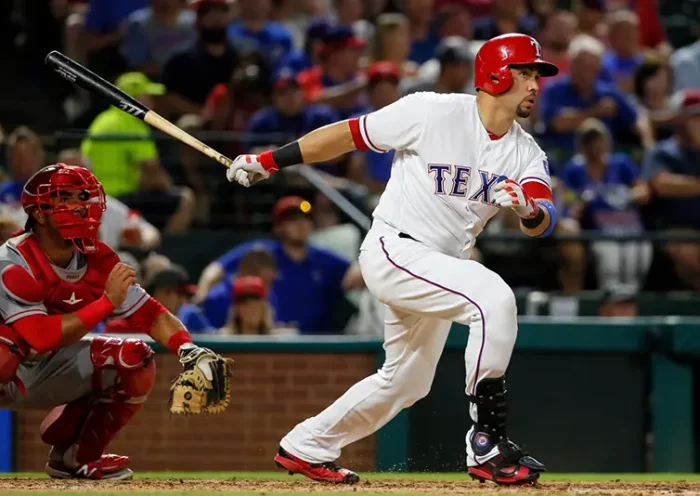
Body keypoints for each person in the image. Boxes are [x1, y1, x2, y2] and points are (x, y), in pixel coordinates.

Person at [225, 33, 559, 485]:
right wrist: (269, 160)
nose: (535, 84)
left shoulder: (525, 151)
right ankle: (487, 443)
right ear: (496, 73)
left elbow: (542, 218)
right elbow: (347, 136)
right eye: (526, 72)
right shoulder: (431, 111)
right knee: (493, 298)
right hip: (395, 249)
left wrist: (527, 209)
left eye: (537, 75)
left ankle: (307, 445)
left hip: (442, 267)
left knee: (406, 382)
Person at [0, 163, 220, 480]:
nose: (80, 206)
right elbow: (40, 336)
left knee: (135, 359)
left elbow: (149, 312)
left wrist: (189, 350)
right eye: (66, 198)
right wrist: (106, 303)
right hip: (11, 366)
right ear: (40, 212)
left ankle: (75, 458)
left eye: (82, 196)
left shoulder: (98, 258)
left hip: (44, 367)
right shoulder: (13, 261)